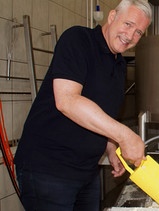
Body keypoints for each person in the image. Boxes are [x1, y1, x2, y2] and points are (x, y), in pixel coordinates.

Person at [14, 0, 152, 210]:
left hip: (87, 171)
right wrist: (124, 136)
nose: (130, 35)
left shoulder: (118, 64)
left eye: (139, 32)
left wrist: (110, 146)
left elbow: (101, 113)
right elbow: (67, 101)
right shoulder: (78, 39)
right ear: (112, 16)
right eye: (128, 24)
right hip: (49, 169)